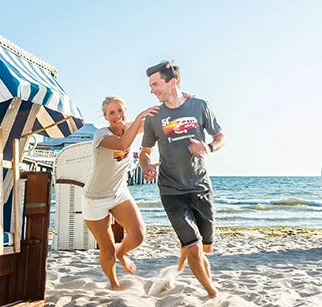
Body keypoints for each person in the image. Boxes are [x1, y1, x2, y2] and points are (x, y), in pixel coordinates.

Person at [139, 60, 225, 298]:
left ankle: (185, 251)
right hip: (170, 190)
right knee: (195, 248)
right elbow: (144, 152)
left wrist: (208, 147)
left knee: (205, 247)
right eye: (150, 85)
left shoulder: (200, 106)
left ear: (172, 82)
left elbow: (220, 136)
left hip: (200, 187)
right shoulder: (153, 117)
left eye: (155, 84)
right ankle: (212, 293)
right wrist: (146, 167)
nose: (152, 89)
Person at [84, 95, 158, 290]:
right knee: (106, 248)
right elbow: (122, 144)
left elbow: (157, 121)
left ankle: (121, 252)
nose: (117, 116)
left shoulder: (130, 127)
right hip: (95, 198)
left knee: (139, 235)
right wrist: (141, 117)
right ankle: (114, 284)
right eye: (111, 113)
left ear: (125, 111)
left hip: (119, 193)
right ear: (105, 116)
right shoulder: (101, 134)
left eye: (120, 111)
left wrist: (178, 102)